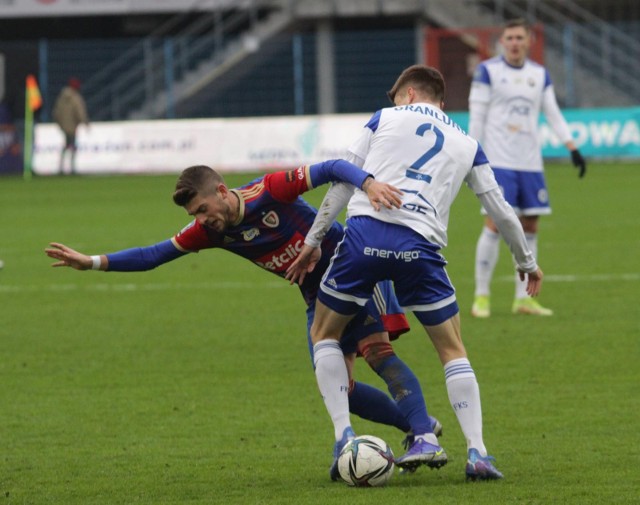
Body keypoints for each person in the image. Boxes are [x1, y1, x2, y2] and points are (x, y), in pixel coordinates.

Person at [45, 159, 445, 477]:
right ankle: (414, 424)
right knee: (343, 387)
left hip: (351, 269)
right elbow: (154, 255)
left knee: (377, 354)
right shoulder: (211, 231)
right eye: (194, 214)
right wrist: (92, 262)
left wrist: (369, 183)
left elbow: (333, 167)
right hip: (315, 295)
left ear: (222, 191)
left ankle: (415, 436)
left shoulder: (268, 191)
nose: (201, 219)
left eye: (203, 209)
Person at [286, 64, 545, 481]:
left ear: (407, 95)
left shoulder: (384, 118)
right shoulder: (466, 142)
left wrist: (313, 242)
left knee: (324, 334)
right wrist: (526, 262)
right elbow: (500, 210)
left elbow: (341, 183)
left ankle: (344, 436)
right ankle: (478, 453)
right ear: (440, 102)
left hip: (364, 239)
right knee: (452, 350)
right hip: (420, 249)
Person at [468, 18, 586, 318]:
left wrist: (571, 146)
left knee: (530, 226)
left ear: (529, 41)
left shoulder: (539, 74)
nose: (515, 42)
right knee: (496, 224)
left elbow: (553, 113)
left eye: (520, 37)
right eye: (509, 37)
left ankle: (523, 299)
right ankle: (482, 296)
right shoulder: (488, 72)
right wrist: (470, 151)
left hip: (530, 164)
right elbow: (477, 116)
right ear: (502, 41)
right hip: (499, 162)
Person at [52, 77, 89, 175]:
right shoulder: (75, 98)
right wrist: (85, 122)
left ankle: (61, 168)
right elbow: (80, 111)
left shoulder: (61, 97)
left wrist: (59, 123)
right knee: (72, 147)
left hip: (64, 126)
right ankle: (72, 168)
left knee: (66, 146)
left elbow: (56, 112)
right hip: (73, 126)